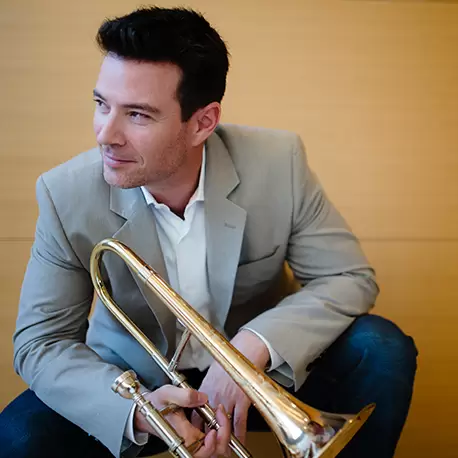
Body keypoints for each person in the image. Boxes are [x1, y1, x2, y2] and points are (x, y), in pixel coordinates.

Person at [0, 6, 418, 458]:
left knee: (381, 348)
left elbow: (349, 278)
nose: (106, 134)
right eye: (102, 104)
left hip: (265, 373)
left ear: (202, 122)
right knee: (19, 437)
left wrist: (251, 349)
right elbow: (42, 342)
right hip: (138, 380)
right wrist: (136, 409)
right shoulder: (65, 193)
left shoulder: (278, 162)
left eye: (137, 115)